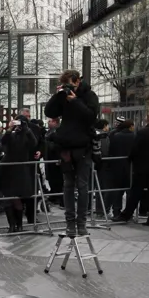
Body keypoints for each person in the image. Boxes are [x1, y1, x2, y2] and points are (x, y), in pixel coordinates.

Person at [43, 70, 100, 237]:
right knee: (67, 185)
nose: (69, 87)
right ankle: (70, 222)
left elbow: (91, 117)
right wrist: (58, 95)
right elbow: (49, 112)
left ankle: (81, 222)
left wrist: (75, 101)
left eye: (70, 83)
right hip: (67, 146)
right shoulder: (64, 96)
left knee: (82, 186)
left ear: (77, 81)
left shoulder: (89, 95)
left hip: (83, 147)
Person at [115, 113, 149, 227]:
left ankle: (126, 215)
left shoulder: (141, 133)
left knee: (135, 192)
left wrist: (131, 159)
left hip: (142, 167)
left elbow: (135, 149)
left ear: (146, 120)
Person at [0, 116, 38, 232]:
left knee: (17, 199)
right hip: (8, 169)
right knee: (8, 198)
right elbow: (3, 141)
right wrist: (10, 128)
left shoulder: (26, 135)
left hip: (21, 171)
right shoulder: (11, 135)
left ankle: (19, 225)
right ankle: (12, 225)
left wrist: (26, 129)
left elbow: (33, 144)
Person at [103, 118, 134, 218]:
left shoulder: (116, 136)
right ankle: (129, 212)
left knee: (117, 191)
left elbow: (111, 151)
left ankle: (116, 211)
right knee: (129, 191)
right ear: (130, 126)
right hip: (130, 167)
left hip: (117, 167)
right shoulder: (134, 136)